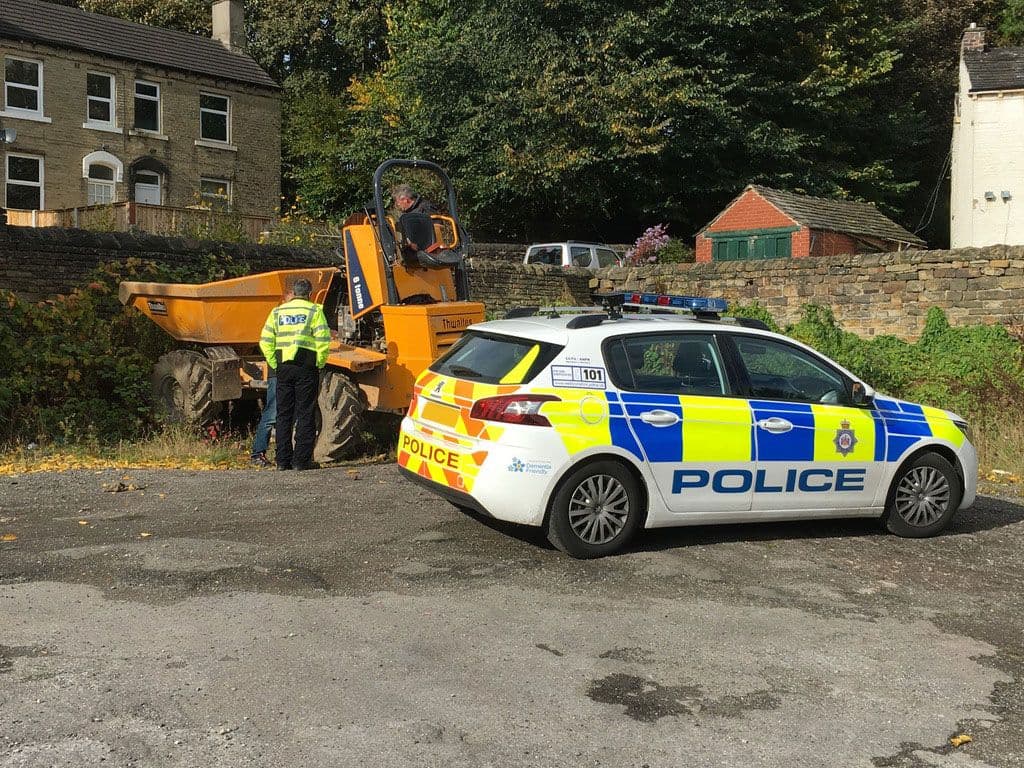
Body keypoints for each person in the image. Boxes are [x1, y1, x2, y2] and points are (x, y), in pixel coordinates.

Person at [258, 278, 330, 471]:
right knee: (305, 413)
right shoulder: (314, 311)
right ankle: (301, 461)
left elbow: (265, 341)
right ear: (310, 294)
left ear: (293, 293)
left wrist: (275, 363)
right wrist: (319, 363)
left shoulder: (278, 312)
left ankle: (282, 461)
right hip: (306, 367)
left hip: (283, 368)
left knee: (283, 415)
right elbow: (323, 340)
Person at [249, 288, 294, 467]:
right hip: (280, 371)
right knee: (272, 413)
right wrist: (275, 365)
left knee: (283, 414)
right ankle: (258, 453)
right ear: (284, 300)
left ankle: (282, 454)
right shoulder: (278, 316)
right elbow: (265, 342)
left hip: (288, 370)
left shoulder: (295, 316)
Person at [391, 183, 437, 253]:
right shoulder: (407, 214)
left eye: (397, 202)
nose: (397, 205)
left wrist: (417, 243)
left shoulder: (426, 208)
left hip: (428, 248)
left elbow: (436, 229)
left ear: (405, 199)